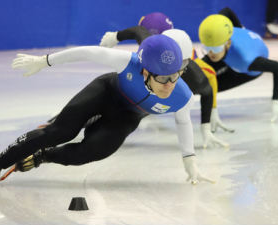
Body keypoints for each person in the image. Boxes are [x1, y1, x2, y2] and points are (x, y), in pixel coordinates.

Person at [0, 35, 212, 185]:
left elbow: (183, 123)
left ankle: (41, 157)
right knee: (60, 132)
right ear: (145, 71)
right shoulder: (127, 62)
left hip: (126, 116)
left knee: (93, 152)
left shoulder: (183, 96)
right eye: (163, 79)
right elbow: (87, 52)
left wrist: (189, 159)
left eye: (176, 77)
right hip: (105, 92)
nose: (170, 86)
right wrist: (44, 61)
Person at [100, 12, 233, 134]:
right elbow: (138, 31)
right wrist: (115, 37)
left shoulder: (191, 73)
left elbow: (208, 86)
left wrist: (210, 116)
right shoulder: (152, 46)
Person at [198, 7, 278, 125]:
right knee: (196, 75)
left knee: (206, 88)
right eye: (207, 48)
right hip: (228, 52)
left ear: (228, 43)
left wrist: (275, 102)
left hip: (245, 71)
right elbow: (226, 10)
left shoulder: (247, 61)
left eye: (214, 48)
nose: (210, 53)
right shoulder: (220, 40)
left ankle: (210, 117)